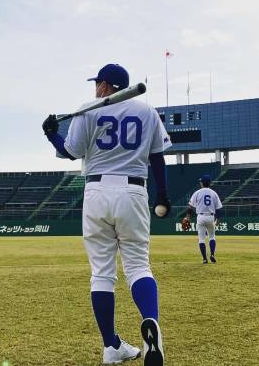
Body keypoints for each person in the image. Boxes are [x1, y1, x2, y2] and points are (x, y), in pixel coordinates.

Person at [43, 63, 171, 365]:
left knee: (102, 273)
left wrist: (51, 134)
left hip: (97, 191)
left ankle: (110, 345)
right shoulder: (147, 111)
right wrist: (163, 195)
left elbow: (70, 151)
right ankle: (149, 324)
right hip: (133, 190)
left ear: (107, 85)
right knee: (138, 267)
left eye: (97, 83)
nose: (94, 88)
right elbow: (157, 158)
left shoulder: (87, 109)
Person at [186, 175, 222, 264]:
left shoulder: (197, 192)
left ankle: (204, 259)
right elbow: (218, 208)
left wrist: (188, 217)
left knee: (201, 239)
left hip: (201, 217)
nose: (200, 183)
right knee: (212, 237)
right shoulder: (214, 193)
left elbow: (190, 207)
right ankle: (212, 254)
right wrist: (218, 219)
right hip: (210, 217)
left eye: (200, 181)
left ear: (202, 183)